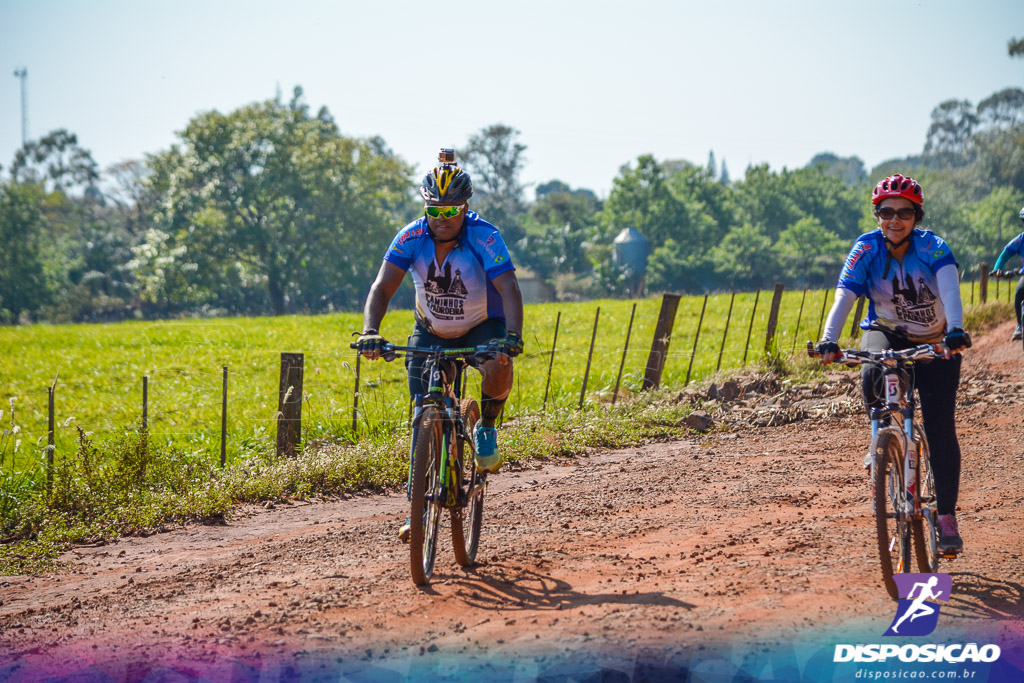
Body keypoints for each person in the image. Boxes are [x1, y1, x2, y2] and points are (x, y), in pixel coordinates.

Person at [355, 148, 524, 541]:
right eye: (435, 210)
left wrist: (511, 337)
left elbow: (509, 286)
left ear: (465, 207)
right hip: (431, 329)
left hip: (482, 325)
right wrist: (369, 332)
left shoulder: (485, 236)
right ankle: (419, 508)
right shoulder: (411, 236)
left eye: (451, 211)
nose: (443, 219)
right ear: (425, 208)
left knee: (498, 364)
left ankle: (486, 427)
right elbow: (382, 287)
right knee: (423, 413)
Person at [815, 174, 972, 555]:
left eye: (904, 212)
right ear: (877, 215)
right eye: (886, 212)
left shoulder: (933, 247)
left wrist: (954, 331)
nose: (895, 220)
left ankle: (946, 516)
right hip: (888, 331)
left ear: (916, 216)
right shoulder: (865, 248)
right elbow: (845, 294)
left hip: (936, 339)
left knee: (939, 428)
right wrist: (829, 338)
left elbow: (950, 289)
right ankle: (881, 438)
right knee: (871, 367)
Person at [988, 206, 1024, 341]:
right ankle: (1020, 325)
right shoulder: (1020, 240)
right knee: (1019, 293)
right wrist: (998, 268)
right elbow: (1004, 256)